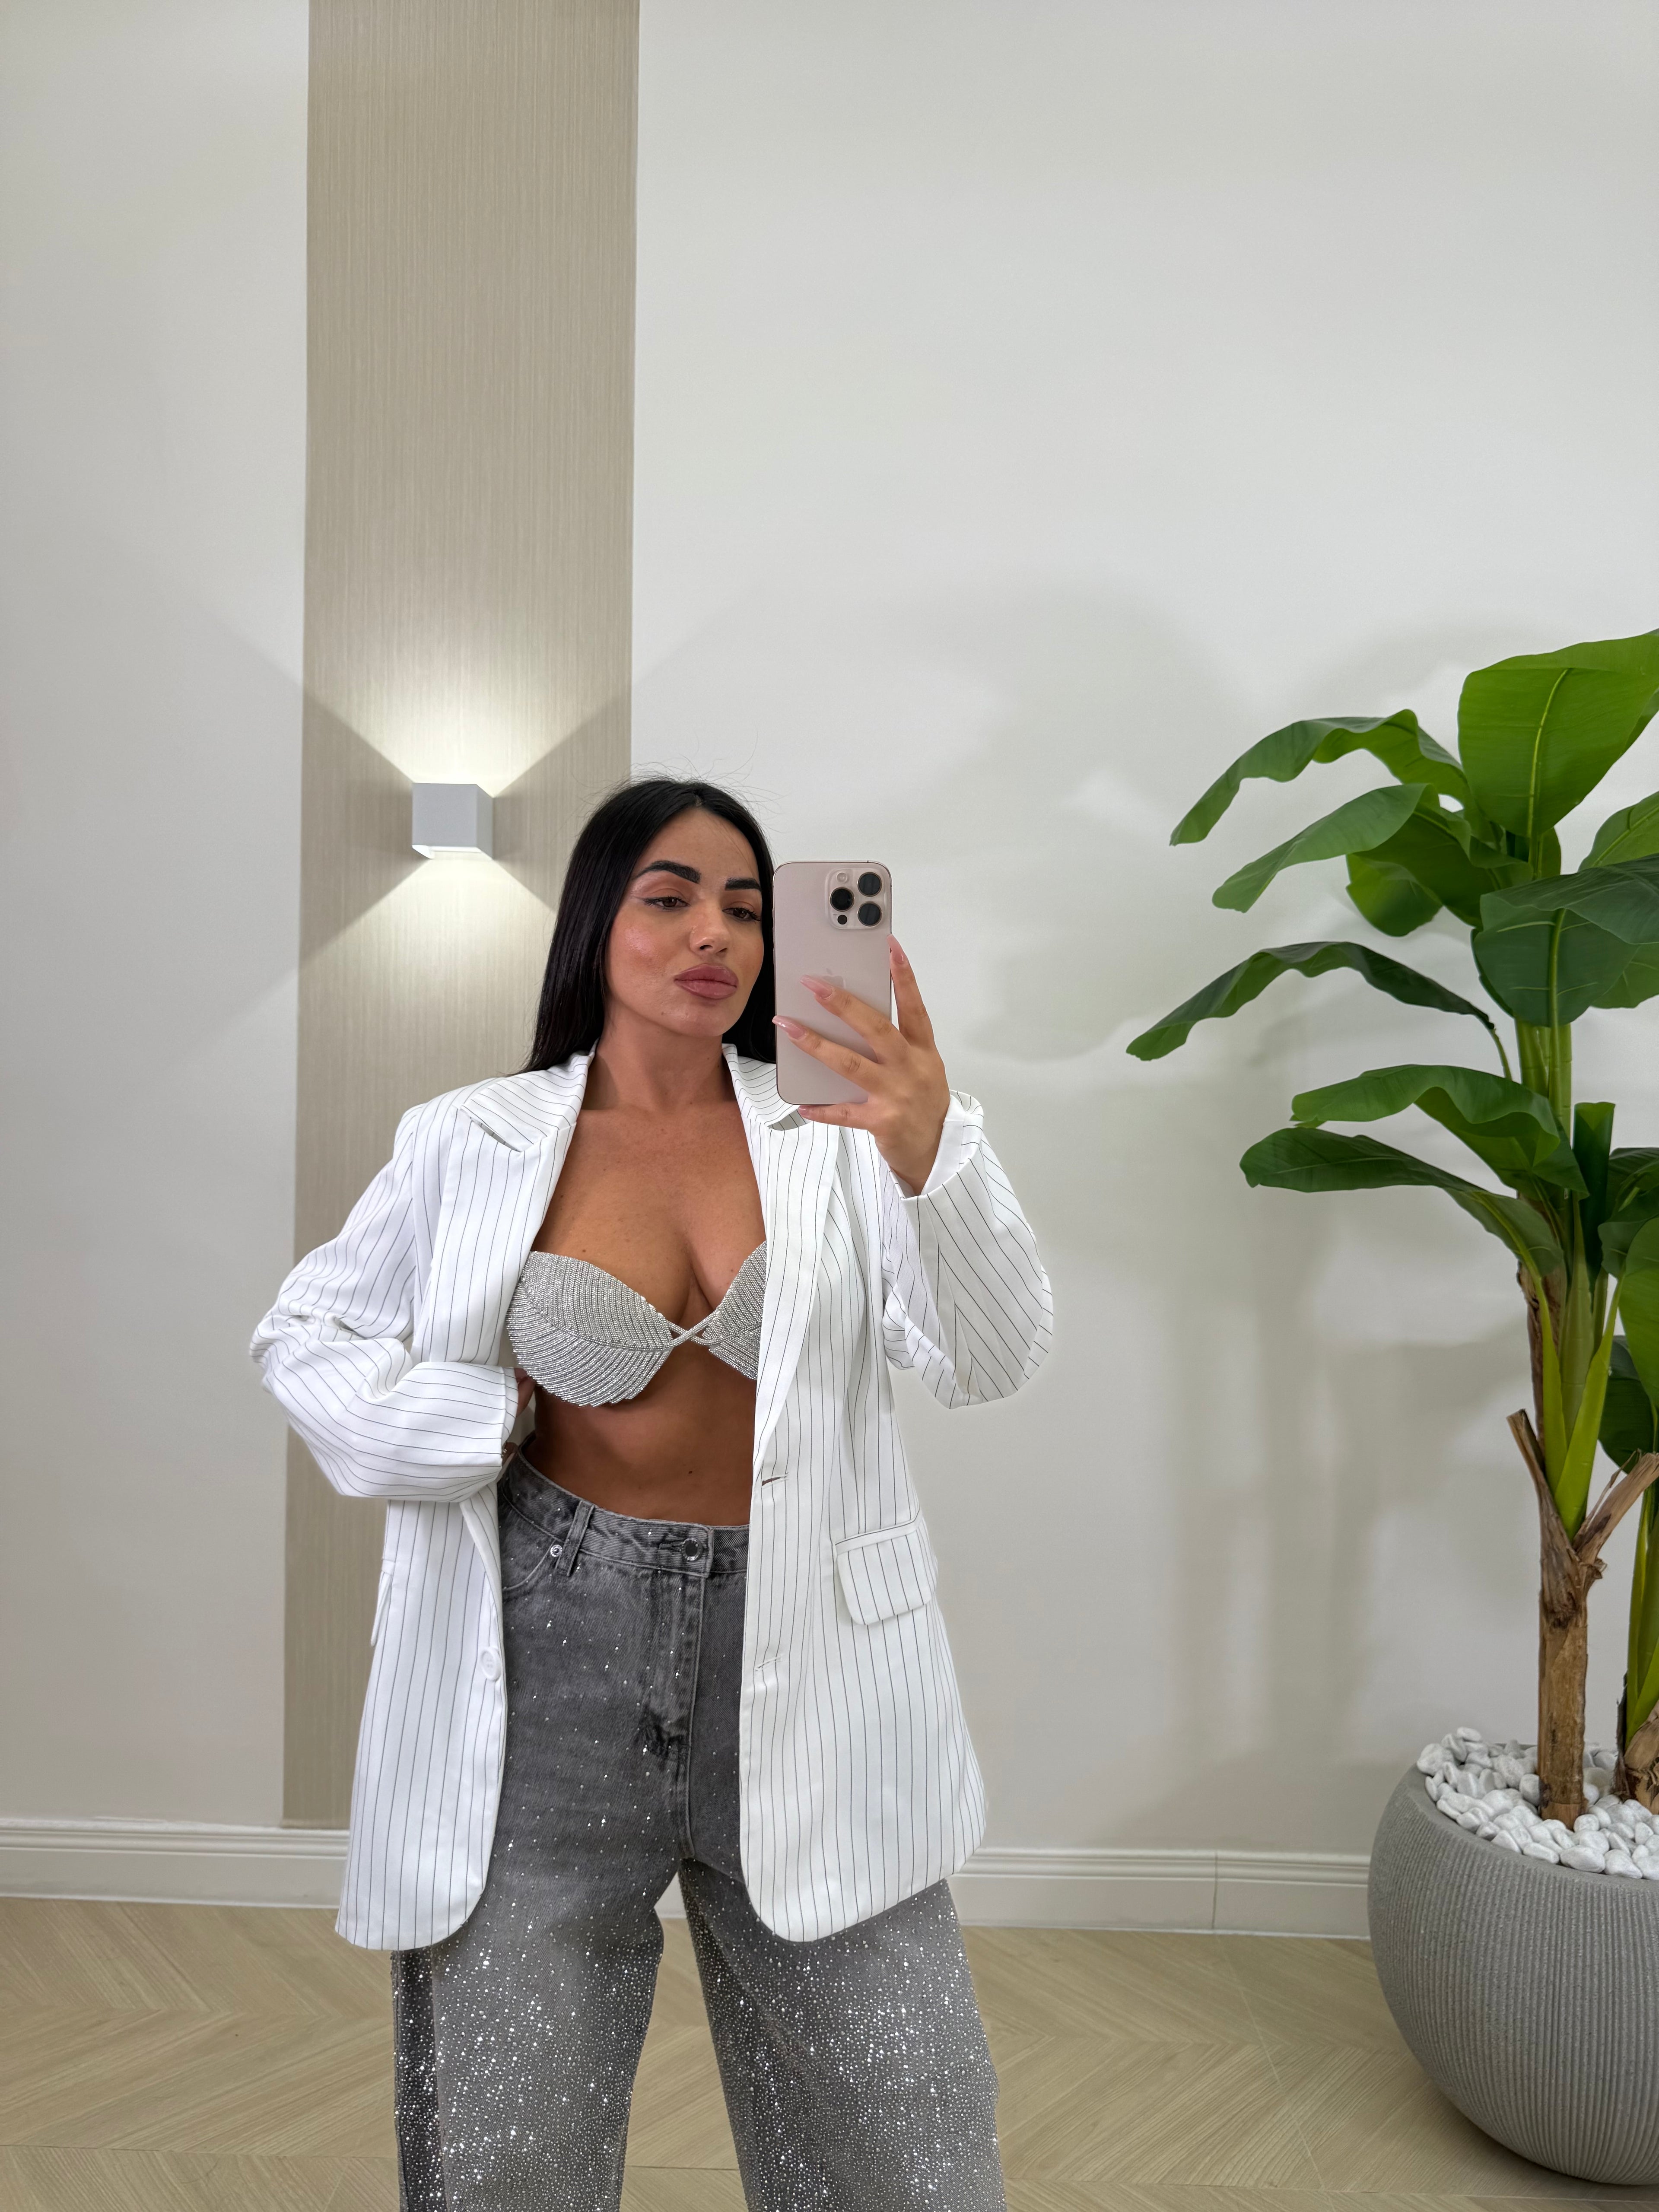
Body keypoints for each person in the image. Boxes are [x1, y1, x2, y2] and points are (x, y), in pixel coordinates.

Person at [251, 776, 1052, 2212]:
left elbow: (992, 1358)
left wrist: (932, 1150)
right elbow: (305, 1333)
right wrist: (475, 1417)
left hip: (809, 1654)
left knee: (910, 2145)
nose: (714, 935)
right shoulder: (471, 1137)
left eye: (746, 907)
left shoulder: (846, 1135)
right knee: (512, 2149)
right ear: (594, 924)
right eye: (669, 898)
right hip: (543, 1666)